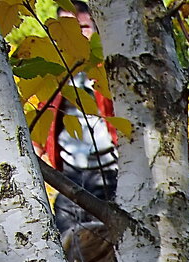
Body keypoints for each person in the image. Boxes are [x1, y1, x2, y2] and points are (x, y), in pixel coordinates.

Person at [37, 1, 120, 233]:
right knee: (68, 242)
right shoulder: (52, 72)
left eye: (82, 28)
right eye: (66, 28)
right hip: (70, 174)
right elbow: (43, 121)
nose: (75, 36)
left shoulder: (110, 67)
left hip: (110, 172)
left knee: (108, 249)